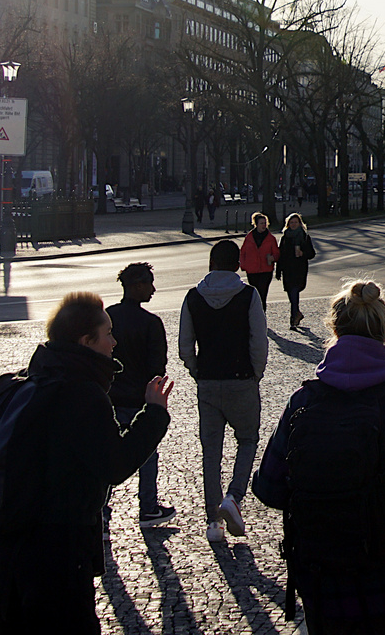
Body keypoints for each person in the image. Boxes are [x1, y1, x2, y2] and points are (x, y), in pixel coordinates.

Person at [254, 280, 385, 635]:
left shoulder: (303, 402)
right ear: (384, 334)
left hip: (321, 582)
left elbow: (269, 488)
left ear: (333, 331)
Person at [0, 291, 174, 634]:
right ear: (86, 341)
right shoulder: (81, 394)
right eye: (108, 334)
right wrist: (154, 413)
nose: (114, 342)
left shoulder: (32, 381)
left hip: (9, 551)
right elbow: (114, 464)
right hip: (58, 555)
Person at [177, 239, 268, 543]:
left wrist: (196, 371)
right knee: (248, 439)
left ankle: (212, 523)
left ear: (211, 263)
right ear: (238, 265)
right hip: (242, 378)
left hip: (209, 382)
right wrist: (256, 373)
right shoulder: (248, 295)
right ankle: (234, 497)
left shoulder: (193, 298)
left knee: (211, 452)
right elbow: (259, 341)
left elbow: (185, 345)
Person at [104, 263, 176, 530]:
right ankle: (148, 507)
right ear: (136, 286)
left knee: (106, 454)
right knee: (146, 454)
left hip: (110, 399)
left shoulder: (107, 317)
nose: (153, 289)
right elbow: (157, 367)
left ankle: (102, 512)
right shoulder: (151, 323)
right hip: (139, 401)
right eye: (149, 284)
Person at [277, 212, 316, 330]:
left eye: (295, 222)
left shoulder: (304, 237)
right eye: (291, 222)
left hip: (299, 269)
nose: (293, 224)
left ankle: (293, 318)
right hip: (287, 269)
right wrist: (278, 270)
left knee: (294, 291)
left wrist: (303, 253)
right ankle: (297, 313)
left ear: (300, 223)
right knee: (290, 292)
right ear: (288, 224)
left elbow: (312, 253)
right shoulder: (285, 237)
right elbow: (280, 255)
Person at [241, 213, 281, 307]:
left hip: (266, 270)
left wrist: (273, 258)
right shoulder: (249, 238)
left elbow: (277, 253)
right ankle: (255, 313)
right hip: (252, 270)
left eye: (265, 223)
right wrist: (243, 265)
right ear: (256, 224)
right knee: (254, 294)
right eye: (261, 223)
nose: (264, 225)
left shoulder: (271, 238)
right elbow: (243, 253)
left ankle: (262, 313)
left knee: (262, 293)